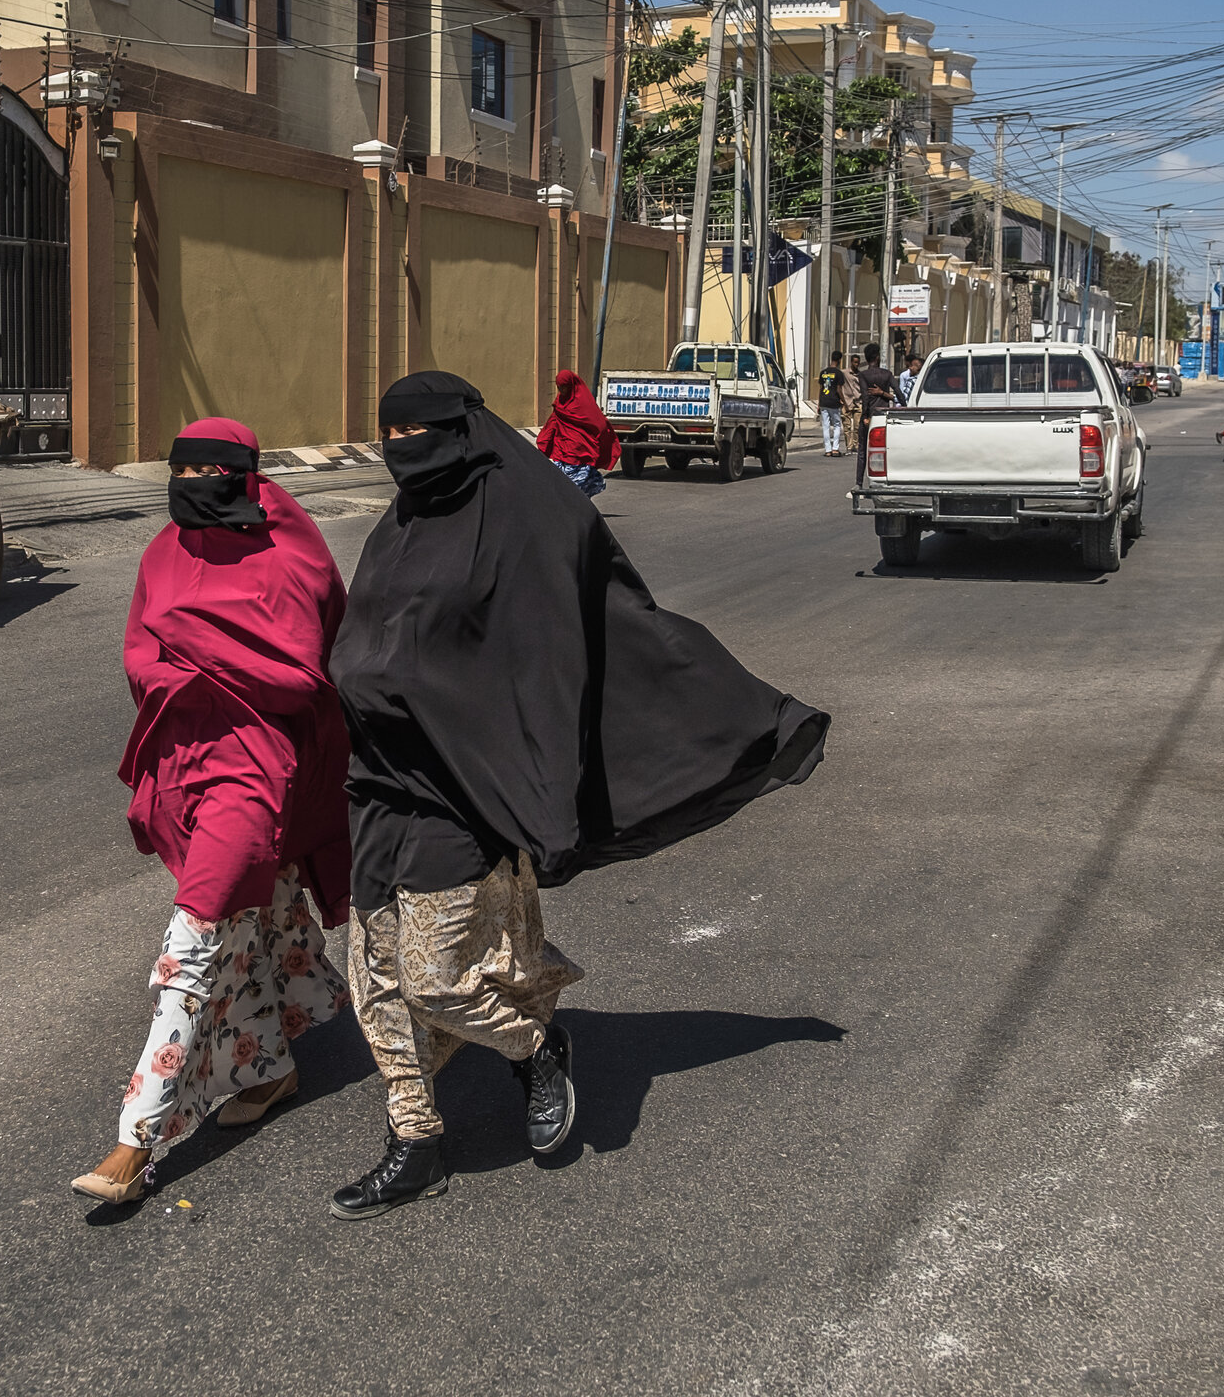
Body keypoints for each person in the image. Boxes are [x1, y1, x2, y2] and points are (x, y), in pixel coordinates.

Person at [325, 371, 829, 1220]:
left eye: (419, 435)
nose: (402, 453)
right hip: (379, 785)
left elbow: (572, 645)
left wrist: (539, 775)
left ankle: (536, 1044)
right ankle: (414, 1143)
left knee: (436, 980)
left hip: (467, 791)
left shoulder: (525, 515)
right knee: (373, 984)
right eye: (390, 437)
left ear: (462, 431)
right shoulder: (400, 524)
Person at [71, 418, 354, 1206]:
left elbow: (308, 670)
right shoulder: (162, 552)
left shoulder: (288, 556)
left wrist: (207, 662)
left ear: (245, 474)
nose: (192, 486)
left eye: (211, 472)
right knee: (261, 913)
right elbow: (140, 650)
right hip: (186, 760)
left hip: (259, 767)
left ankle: (136, 1137)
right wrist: (179, 676)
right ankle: (273, 1071)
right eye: (180, 470)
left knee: (195, 931)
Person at [535, 367, 620, 496]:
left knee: (577, 489)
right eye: (559, 387)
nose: (562, 391)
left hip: (581, 454)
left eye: (565, 387)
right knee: (561, 486)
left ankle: (578, 509)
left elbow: (599, 424)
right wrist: (543, 443)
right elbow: (552, 424)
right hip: (562, 453)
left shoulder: (584, 404)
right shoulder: (560, 403)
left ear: (572, 386)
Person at [854, 342, 901, 486]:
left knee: (863, 450)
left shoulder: (863, 375)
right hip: (884, 416)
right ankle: (882, 482)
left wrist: (866, 416)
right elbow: (899, 393)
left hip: (870, 416)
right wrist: (888, 396)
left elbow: (865, 397)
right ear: (877, 357)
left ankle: (859, 483)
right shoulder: (887, 374)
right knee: (884, 450)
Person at [817, 350, 846, 457]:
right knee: (837, 425)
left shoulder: (823, 372)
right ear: (839, 360)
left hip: (824, 401)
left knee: (826, 426)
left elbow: (820, 389)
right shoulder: (839, 373)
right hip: (834, 401)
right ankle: (835, 449)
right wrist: (843, 401)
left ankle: (827, 450)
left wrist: (819, 404)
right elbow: (839, 389)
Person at [841, 352, 863, 454]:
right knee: (847, 426)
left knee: (857, 426)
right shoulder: (844, 373)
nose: (856, 364)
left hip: (858, 402)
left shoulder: (861, 375)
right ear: (851, 362)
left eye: (858, 363)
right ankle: (849, 446)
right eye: (854, 362)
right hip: (847, 402)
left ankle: (856, 445)